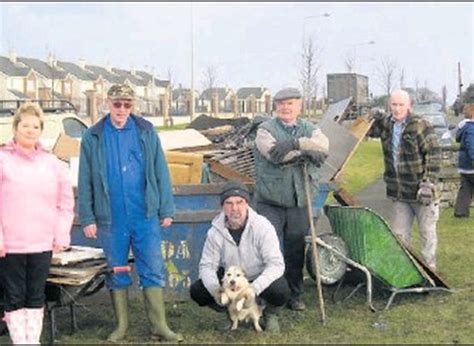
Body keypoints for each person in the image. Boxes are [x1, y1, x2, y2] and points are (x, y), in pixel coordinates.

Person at [78, 84, 183, 342]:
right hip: (110, 217)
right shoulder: (93, 136)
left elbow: (160, 170)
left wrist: (166, 208)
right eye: (117, 104)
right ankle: (121, 326)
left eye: (127, 104)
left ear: (132, 106)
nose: (122, 109)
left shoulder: (146, 131)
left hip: (144, 213)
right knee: (118, 269)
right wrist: (88, 217)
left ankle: (159, 325)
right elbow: (85, 180)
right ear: (107, 103)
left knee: (153, 267)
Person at [0, 102, 74, 344]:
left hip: (42, 243)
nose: (30, 130)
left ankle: (32, 340)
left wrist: (61, 235)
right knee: (14, 297)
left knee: (35, 296)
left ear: (41, 130)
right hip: (10, 245)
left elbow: (65, 203)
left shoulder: (52, 163)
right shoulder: (2, 160)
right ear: (15, 128)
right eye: (25, 125)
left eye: (35, 126)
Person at [253, 88, 329, 311]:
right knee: (269, 249)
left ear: (299, 106)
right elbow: (275, 154)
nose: (286, 108)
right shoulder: (264, 130)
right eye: (281, 104)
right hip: (271, 201)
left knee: (295, 249)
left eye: (290, 104)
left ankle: (294, 295)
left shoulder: (310, 127)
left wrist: (295, 144)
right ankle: (269, 295)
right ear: (275, 107)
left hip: (299, 200)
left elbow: (324, 146)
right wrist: (307, 150)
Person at [190, 181, 291, 333]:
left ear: (247, 204)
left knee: (280, 290)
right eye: (229, 203)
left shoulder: (262, 226)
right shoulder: (215, 232)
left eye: (239, 202)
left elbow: (276, 264)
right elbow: (207, 266)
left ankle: (269, 314)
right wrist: (217, 291)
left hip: (258, 277)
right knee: (198, 290)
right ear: (223, 207)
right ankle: (231, 315)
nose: (235, 209)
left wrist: (253, 288)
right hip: (231, 279)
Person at [370, 90, 442, 270]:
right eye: (393, 104)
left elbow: (434, 154)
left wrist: (428, 183)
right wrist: (373, 116)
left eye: (401, 105)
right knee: (400, 236)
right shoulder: (386, 124)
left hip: (421, 192)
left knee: (427, 234)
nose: (397, 109)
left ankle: (430, 272)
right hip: (399, 193)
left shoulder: (420, 125)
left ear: (409, 106)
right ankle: (407, 271)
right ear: (389, 105)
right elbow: (366, 131)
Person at [454, 88, 474, 218]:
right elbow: (472, 145)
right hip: (471, 164)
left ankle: (460, 212)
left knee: (465, 189)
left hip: (464, 165)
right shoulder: (471, 129)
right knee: (466, 188)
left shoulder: (463, 128)